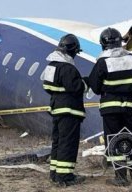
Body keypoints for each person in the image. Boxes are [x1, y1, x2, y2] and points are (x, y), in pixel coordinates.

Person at [87, 27, 132, 186]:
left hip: (111, 108)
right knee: (131, 138)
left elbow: (95, 87)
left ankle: (121, 177)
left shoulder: (102, 62)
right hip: (129, 106)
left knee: (115, 140)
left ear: (103, 44)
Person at [41, 34, 86, 187]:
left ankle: (54, 173)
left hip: (56, 109)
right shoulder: (68, 68)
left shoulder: (51, 66)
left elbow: (47, 87)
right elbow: (76, 88)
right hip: (69, 111)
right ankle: (65, 176)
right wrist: (85, 83)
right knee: (68, 143)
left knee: (58, 142)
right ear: (73, 51)